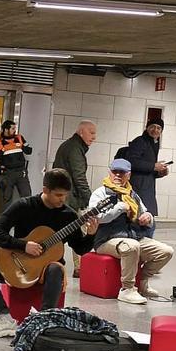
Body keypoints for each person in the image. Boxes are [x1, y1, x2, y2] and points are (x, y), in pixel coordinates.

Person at [0, 169, 98, 338]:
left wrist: (91, 235)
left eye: (65, 196)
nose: (63, 200)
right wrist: (23, 245)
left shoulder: (68, 216)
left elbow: (80, 248)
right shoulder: (24, 206)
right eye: (58, 195)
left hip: (47, 272)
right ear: (45, 190)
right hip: (20, 263)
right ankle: (4, 318)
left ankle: (43, 321)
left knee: (55, 268)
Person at [88, 158, 174, 305]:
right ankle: (127, 289)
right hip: (106, 240)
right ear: (109, 172)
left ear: (128, 175)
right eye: (114, 172)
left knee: (166, 251)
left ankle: (142, 281)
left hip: (134, 236)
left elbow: (145, 212)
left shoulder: (132, 194)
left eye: (122, 173)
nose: (117, 175)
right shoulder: (100, 193)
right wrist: (120, 207)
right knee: (131, 246)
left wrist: (148, 217)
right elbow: (98, 217)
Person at [52, 119, 97, 277]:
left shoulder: (71, 146)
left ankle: (77, 267)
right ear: (81, 132)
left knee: (67, 231)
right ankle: (80, 268)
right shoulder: (74, 149)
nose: (94, 137)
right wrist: (92, 200)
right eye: (91, 132)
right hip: (70, 199)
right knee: (79, 231)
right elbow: (79, 177)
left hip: (64, 197)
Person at [119, 117, 167, 221]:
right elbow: (131, 161)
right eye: (152, 127)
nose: (155, 130)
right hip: (138, 189)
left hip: (146, 189)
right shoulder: (140, 141)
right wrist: (154, 166)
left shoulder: (153, 144)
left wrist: (160, 172)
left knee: (146, 220)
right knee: (140, 220)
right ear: (147, 128)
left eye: (159, 128)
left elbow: (146, 169)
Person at [0, 119, 33, 214]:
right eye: (13, 128)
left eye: (15, 128)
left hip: (21, 173)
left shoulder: (20, 138)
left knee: (27, 196)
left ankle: (27, 220)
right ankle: (5, 222)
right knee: (6, 199)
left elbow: (29, 151)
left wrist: (22, 146)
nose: (15, 130)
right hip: (7, 174)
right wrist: (2, 150)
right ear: (6, 129)